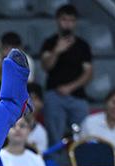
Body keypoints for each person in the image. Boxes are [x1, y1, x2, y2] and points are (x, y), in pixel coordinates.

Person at [39, 3, 92, 144]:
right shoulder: (49, 43)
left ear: (75, 22)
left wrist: (70, 87)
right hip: (54, 94)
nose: (67, 24)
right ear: (57, 20)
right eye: (64, 19)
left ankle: (80, 157)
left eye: (71, 20)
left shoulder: (83, 46)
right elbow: (46, 66)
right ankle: (56, 157)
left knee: (83, 135)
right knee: (55, 137)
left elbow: (88, 73)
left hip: (77, 95)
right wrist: (57, 51)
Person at [25, 82, 47, 152]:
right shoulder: (8, 126)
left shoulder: (41, 132)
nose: (30, 102)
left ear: (41, 103)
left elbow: (40, 156)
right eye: (27, 98)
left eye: (34, 98)